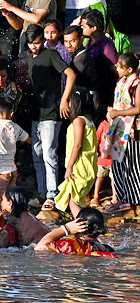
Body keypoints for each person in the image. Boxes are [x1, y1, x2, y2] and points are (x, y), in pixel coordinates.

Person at [24, 26, 76, 210]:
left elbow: (70, 74)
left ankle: (52, 195)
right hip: (35, 112)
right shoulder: (29, 57)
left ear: (42, 40)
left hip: (51, 112)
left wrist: (64, 100)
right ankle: (41, 192)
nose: (34, 46)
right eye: (31, 43)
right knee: (37, 155)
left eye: (37, 43)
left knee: (49, 154)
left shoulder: (51, 55)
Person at [55, 88, 98, 216]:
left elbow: (77, 145)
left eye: (69, 101)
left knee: (72, 200)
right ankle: (83, 226)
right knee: (76, 200)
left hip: (80, 167)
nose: (67, 104)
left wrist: (69, 167)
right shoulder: (90, 120)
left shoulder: (79, 120)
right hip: (88, 166)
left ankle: (82, 228)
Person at [105, 52, 140, 209]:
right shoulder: (121, 82)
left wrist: (117, 113)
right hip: (118, 129)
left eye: (120, 67)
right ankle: (120, 196)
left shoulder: (137, 84)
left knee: (132, 165)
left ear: (130, 69)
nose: (117, 68)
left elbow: (138, 108)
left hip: (132, 131)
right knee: (117, 163)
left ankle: (131, 199)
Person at [34, 208, 115, 256]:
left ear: (77, 224)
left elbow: (39, 247)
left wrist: (66, 228)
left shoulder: (69, 245)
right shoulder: (105, 248)